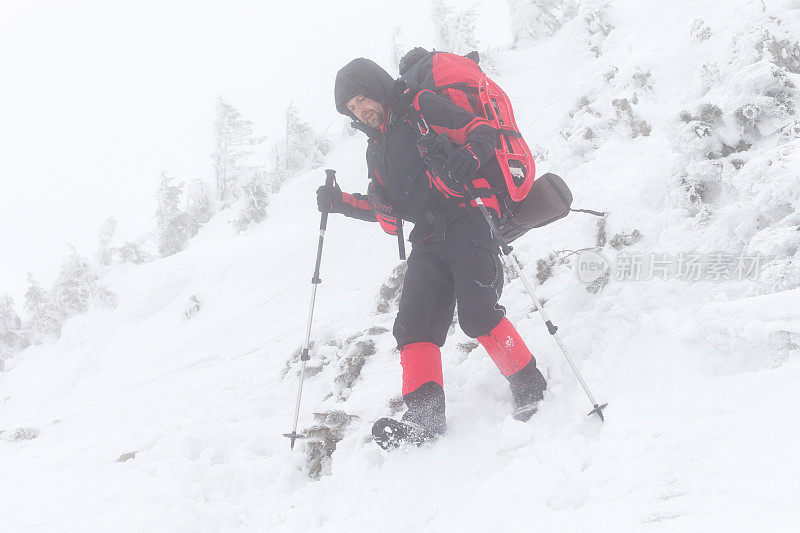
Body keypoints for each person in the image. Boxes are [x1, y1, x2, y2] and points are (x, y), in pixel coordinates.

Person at [317, 57, 547, 443]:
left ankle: (529, 383)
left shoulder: (421, 106)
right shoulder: (377, 149)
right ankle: (425, 417)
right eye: (352, 109)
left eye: (361, 101)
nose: (361, 112)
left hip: (469, 215)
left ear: (375, 88)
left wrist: (471, 154)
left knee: (478, 314)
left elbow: (480, 129)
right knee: (412, 326)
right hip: (427, 234)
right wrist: (339, 202)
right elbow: (385, 206)